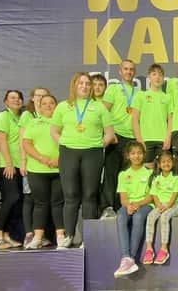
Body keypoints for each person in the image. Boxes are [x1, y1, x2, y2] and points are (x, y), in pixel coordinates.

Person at [51, 72, 115, 247]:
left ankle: (87, 239)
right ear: (74, 85)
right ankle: (69, 236)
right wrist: (63, 142)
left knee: (89, 195)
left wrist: (98, 145)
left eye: (88, 84)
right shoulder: (63, 106)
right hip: (68, 152)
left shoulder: (99, 107)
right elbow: (54, 131)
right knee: (70, 195)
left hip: (92, 154)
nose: (85, 86)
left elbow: (110, 133)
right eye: (81, 83)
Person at [22, 94, 65, 250]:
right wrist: (41, 158)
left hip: (59, 169)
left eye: (51, 103)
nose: (48, 106)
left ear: (56, 106)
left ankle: (61, 236)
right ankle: (38, 237)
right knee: (40, 204)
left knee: (58, 204)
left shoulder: (63, 123)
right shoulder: (33, 123)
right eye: (44, 103)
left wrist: (58, 160)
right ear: (38, 106)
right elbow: (26, 144)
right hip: (37, 170)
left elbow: (70, 144)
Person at [101, 60, 138, 218]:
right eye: (126, 69)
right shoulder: (113, 89)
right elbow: (103, 112)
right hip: (116, 137)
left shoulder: (139, 93)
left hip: (132, 139)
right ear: (120, 71)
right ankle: (108, 207)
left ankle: (121, 207)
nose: (129, 72)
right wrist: (109, 133)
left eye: (131, 69)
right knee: (111, 175)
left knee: (126, 176)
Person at [0, 90, 25, 249]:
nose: (16, 100)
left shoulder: (22, 118)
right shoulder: (3, 116)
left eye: (18, 98)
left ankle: (6, 235)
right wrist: (9, 163)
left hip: (20, 165)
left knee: (17, 201)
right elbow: (2, 140)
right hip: (7, 165)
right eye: (12, 98)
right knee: (12, 197)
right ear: (6, 102)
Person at [113, 141, 153, 278]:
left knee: (138, 217)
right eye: (133, 153)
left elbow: (151, 197)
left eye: (139, 153)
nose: (136, 156)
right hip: (129, 205)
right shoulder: (123, 174)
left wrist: (138, 204)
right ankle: (126, 258)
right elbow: (123, 198)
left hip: (145, 205)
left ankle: (131, 257)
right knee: (121, 216)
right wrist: (128, 206)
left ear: (144, 155)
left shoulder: (150, 173)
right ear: (128, 156)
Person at [18, 87, 51, 247]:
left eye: (44, 96)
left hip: (48, 167)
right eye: (38, 95)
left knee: (45, 200)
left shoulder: (51, 115)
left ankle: (43, 234)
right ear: (32, 98)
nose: (40, 98)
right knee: (30, 198)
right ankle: (29, 234)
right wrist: (23, 161)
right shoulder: (27, 115)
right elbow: (22, 139)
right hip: (32, 164)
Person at [142, 152, 178, 265]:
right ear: (159, 164)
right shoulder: (156, 179)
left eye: (169, 161)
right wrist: (159, 205)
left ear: (173, 163)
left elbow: (174, 195)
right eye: (163, 162)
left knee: (164, 217)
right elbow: (154, 194)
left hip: (174, 205)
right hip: (160, 205)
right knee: (150, 217)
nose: (166, 164)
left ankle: (164, 249)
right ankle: (149, 248)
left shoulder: (176, 178)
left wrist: (167, 206)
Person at [132, 63, 172, 169]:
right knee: (145, 172)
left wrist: (168, 138)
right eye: (154, 74)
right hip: (146, 140)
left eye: (160, 74)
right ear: (149, 77)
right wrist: (139, 140)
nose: (157, 77)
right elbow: (135, 120)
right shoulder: (140, 96)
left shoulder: (168, 97)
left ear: (163, 78)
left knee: (162, 172)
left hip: (162, 141)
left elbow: (170, 120)